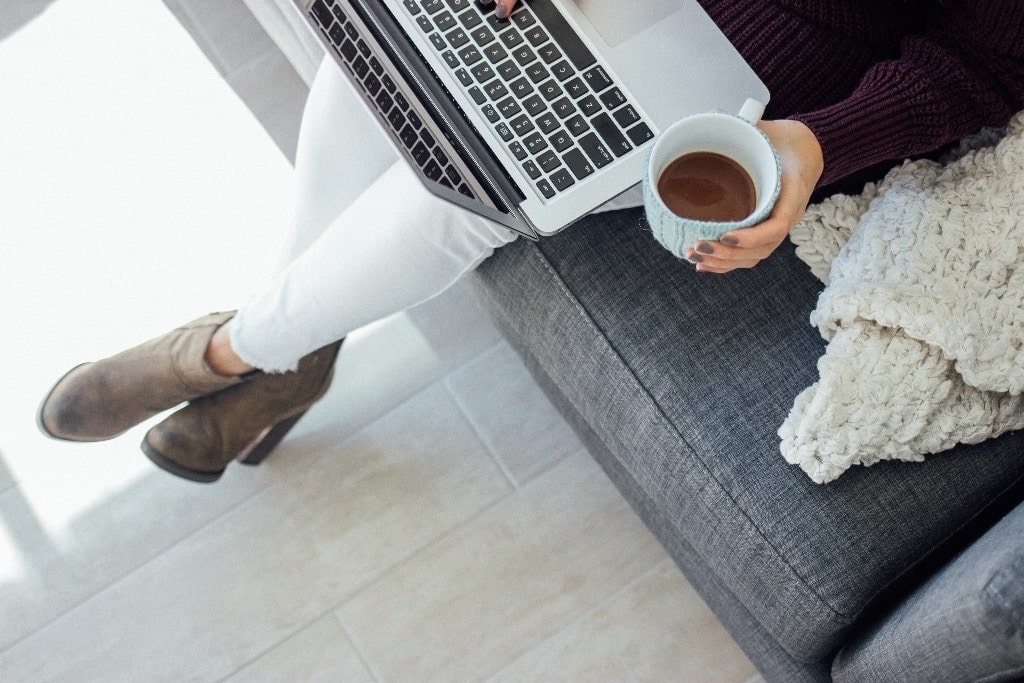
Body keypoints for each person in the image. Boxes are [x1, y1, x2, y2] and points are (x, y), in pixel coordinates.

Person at [38, 0, 1024, 482]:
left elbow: (976, 66)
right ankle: (284, 358)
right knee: (399, 58)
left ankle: (220, 354)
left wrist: (814, 146)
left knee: (466, 188)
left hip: (743, 72)